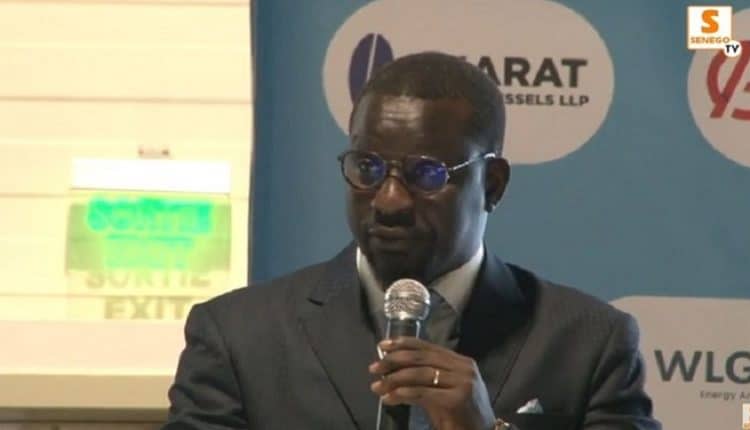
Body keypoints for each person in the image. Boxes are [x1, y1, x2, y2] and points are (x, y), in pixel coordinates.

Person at [163, 52, 661, 430]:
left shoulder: (588, 342)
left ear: (492, 185)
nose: (390, 200)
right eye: (368, 168)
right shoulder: (238, 337)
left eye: (427, 174)